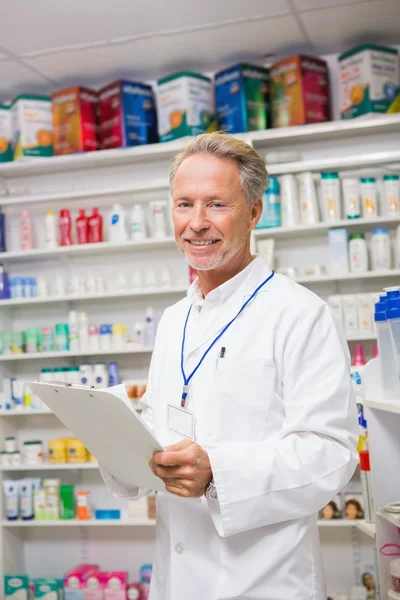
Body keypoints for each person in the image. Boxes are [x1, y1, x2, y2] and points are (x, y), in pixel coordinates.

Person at [101, 132, 358, 600]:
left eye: (217, 204)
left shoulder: (300, 313)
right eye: (184, 204)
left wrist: (217, 470)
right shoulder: (175, 318)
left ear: (254, 211)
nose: (196, 223)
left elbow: (331, 453)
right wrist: (119, 447)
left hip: (265, 580)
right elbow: (163, 423)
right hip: (176, 581)